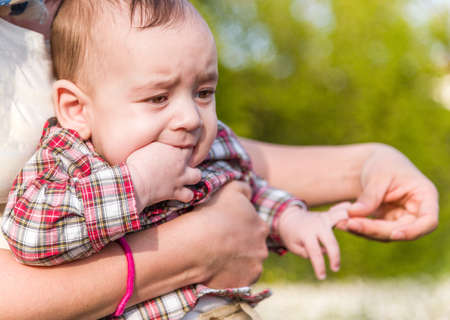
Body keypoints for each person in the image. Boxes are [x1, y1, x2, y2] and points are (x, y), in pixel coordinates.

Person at [0, 0, 439, 319]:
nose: (191, 117)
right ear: (76, 110)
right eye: (158, 97)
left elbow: (242, 182)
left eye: (204, 93)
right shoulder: (67, 163)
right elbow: (34, 236)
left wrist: (297, 215)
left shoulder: (187, 140)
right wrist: (143, 196)